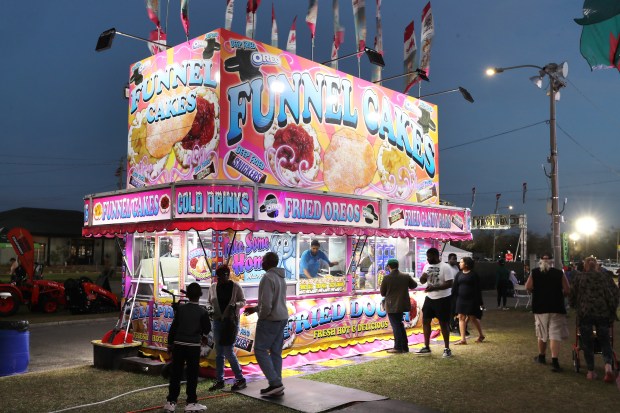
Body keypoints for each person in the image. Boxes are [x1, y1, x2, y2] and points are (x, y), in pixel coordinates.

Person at [243, 252, 288, 397]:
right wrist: (256, 308)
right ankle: (276, 384)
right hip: (282, 318)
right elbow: (272, 301)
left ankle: (275, 382)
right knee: (275, 352)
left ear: (268, 262)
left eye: (263, 260)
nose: (261, 262)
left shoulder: (268, 277)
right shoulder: (281, 277)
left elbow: (267, 305)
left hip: (270, 319)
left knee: (260, 350)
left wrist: (261, 317)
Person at [569, 257, 620, 382]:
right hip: (603, 313)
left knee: (587, 342)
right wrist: (612, 308)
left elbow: (572, 295)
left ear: (585, 266)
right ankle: (608, 368)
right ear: (597, 265)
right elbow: (614, 293)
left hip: (585, 313)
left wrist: (575, 306)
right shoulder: (605, 277)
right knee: (605, 340)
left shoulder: (579, 278)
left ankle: (591, 372)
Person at [164, 282, 211, 412]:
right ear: (200, 295)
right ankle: (191, 403)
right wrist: (203, 334)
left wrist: (169, 344)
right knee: (192, 375)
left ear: (187, 295)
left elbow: (173, 328)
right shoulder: (202, 312)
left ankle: (171, 402)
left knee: (176, 374)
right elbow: (207, 328)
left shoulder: (181, 310)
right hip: (193, 347)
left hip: (178, 345)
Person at [525, 254, 570, 373]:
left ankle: (542, 357)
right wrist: (561, 295)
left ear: (541, 262)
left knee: (542, 332)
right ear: (552, 262)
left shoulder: (534, 272)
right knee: (555, 334)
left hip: (540, 307)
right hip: (556, 306)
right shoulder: (559, 273)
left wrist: (536, 292)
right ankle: (555, 361)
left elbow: (528, 286)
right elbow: (567, 290)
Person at [207, 265, 247, 392]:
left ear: (228, 275)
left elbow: (243, 301)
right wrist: (210, 310)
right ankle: (220, 380)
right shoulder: (213, 287)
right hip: (217, 322)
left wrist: (235, 305)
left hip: (231, 323)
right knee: (219, 352)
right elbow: (209, 302)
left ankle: (240, 378)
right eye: (218, 277)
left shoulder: (235, 286)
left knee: (228, 351)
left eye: (223, 276)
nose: (220, 280)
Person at [415, 247, 454, 358]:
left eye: (430, 257)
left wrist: (435, 288)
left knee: (443, 323)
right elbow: (423, 281)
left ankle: (447, 348)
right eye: (427, 257)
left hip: (443, 298)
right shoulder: (427, 266)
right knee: (426, 321)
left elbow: (450, 283)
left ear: (437, 256)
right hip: (430, 298)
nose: (428, 259)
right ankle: (426, 346)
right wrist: (423, 277)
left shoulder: (445, 267)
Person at [380, 258, 417, 353]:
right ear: (398, 266)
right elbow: (414, 285)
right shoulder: (405, 276)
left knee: (396, 326)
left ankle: (398, 347)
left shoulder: (386, 278)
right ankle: (404, 347)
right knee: (400, 325)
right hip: (402, 304)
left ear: (389, 266)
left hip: (391, 305)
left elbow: (382, 293)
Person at [451, 257, 485, 345]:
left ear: (466, 264)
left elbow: (478, 289)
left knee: (473, 318)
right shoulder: (458, 274)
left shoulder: (474, 275)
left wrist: (480, 302)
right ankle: (463, 339)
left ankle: (481, 335)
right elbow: (455, 288)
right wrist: (452, 299)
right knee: (461, 317)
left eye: (461, 262)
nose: (459, 263)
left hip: (471, 300)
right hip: (460, 300)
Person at [447, 253, 461, 334]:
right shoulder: (446, 267)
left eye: (456, 259)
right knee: (450, 310)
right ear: (449, 259)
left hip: (456, 291)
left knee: (456, 309)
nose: (455, 260)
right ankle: (450, 325)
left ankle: (454, 324)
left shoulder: (456, 267)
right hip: (448, 292)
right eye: (453, 259)